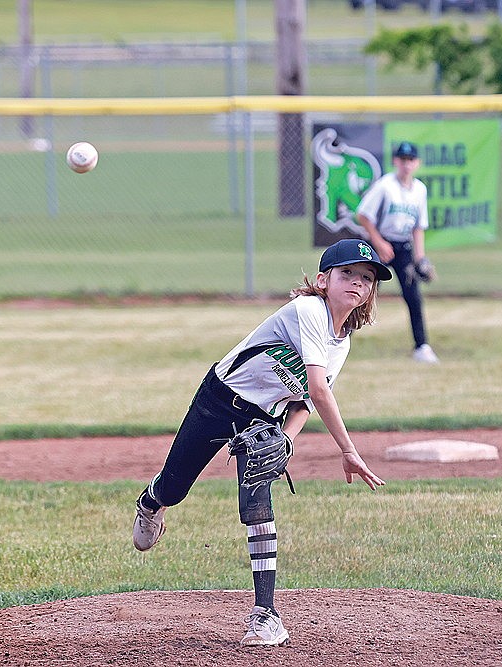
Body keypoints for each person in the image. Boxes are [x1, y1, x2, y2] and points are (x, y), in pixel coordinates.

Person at [132, 238, 390, 647]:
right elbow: (321, 391)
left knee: (257, 504)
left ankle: (265, 614)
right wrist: (348, 449)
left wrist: (285, 440)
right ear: (323, 280)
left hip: (261, 417)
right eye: (347, 274)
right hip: (220, 397)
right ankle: (151, 503)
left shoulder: (342, 342)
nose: (357, 282)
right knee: (175, 486)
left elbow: (304, 400)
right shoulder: (308, 311)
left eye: (367, 278)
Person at [355, 141, 439, 364]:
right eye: (402, 160)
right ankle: (338, 340)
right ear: (395, 161)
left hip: (403, 248)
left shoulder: (420, 189)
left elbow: (418, 226)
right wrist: (379, 242)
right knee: (362, 296)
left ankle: (422, 346)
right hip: (379, 244)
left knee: (413, 297)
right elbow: (363, 215)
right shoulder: (385, 186)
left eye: (411, 160)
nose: (406, 164)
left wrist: (420, 257)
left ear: (417, 163)